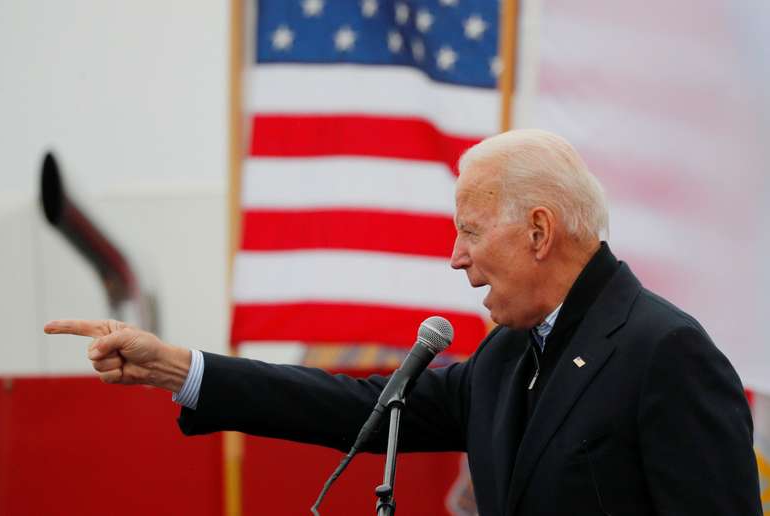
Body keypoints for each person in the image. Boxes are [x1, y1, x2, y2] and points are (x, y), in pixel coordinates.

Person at [45, 129, 761, 515]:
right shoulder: (507, 357)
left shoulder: (664, 353)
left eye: (471, 233)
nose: (456, 259)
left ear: (539, 232)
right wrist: (180, 368)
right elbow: (361, 407)